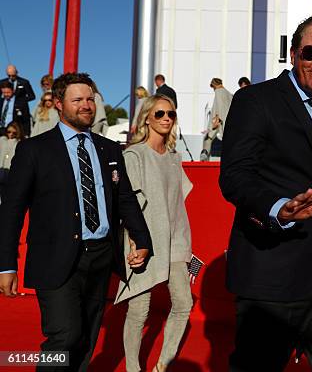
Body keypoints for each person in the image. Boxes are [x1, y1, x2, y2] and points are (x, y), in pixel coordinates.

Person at [219, 14, 312, 372]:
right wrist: (278, 208)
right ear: (293, 53)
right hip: (273, 271)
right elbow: (236, 176)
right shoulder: (256, 100)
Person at [0, 72, 153, 372]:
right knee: (65, 335)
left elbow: (125, 199)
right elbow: (12, 211)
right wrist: (6, 264)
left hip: (100, 257)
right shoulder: (34, 150)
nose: (86, 105)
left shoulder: (109, 149)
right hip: (54, 258)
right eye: (77, 100)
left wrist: (143, 240)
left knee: (85, 339)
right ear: (58, 103)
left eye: (90, 99)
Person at [115, 94, 193, 372]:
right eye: (160, 113)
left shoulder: (174, 157)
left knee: (184, 304)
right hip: (144, 241)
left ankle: (162, 365)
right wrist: (136, 242)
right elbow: (128, 205)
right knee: (139, 311)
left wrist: (185, 245)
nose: (166, 119)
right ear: (147, 117)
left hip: (175, 240)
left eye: (171, 114)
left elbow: (177, 204)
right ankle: (133, 369)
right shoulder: (134, 155)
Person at [200, 78, 233, 160]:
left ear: (214, 85)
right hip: (228, 122)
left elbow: (218, 108)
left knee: (207, 139)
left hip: (219, 121)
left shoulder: (218, 92)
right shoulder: (229, 93)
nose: (213, 89)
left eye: (212, 87)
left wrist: (214, 123)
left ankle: (204, 158)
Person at [0, 122, 23, 197]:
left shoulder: (19, 143)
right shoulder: (2, 140)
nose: (11, 134)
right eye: (9, 132)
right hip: (1, 168)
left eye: (14, 133)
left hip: (10, 171)